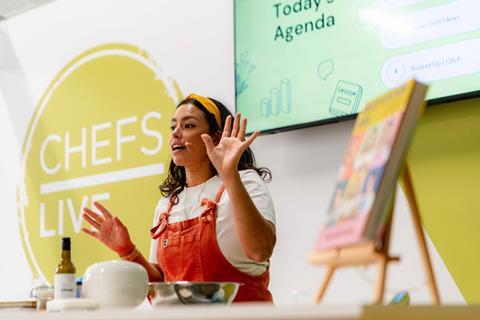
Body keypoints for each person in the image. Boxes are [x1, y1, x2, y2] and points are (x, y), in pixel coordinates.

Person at [81, 93, 276, 302]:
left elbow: (260, 250)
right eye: (173, 126)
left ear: (217, 137)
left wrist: (229, 174)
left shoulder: (244, 181)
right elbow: (163, 285)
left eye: (188, 126)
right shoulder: (167, 205)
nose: (176, 133)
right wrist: (126, 250)